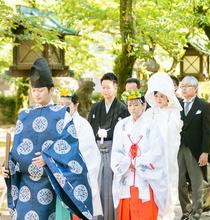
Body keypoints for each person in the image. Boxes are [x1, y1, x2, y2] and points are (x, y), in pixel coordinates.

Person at [2, 58, 93, 220]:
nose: (36, 94)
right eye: (34, 90)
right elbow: (16, 152)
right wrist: (7, 165)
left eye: (41, 90)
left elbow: (70, 150)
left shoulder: (62, 114)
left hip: (51, 186)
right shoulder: (24, 116)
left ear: (51, 90)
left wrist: (49, 158)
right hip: (25, 187)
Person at [111, 90, 168, 220]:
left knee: (145, 210)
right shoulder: (121, 125)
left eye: (136, 105)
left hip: (145, 177)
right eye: (130, 105)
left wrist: (138, 162)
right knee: (127, 209)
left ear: (144, 105)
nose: (132, 108)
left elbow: (157, 151)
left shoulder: (153, 125)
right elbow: (116, 151)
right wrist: (127, 162)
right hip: (127, 174)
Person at [88, 72, 129, 220]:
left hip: (114, 151)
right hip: (97, 151)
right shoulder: (95, 108)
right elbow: (90, 132)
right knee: (97, 185)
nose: (105, 90)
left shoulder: (123, 109)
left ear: (115, 87)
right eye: (103, 87)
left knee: (112, 186)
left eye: (108, 87)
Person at [57, 89, 103, 219]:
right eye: (60, 104)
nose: (63, 108)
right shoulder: (57, 123)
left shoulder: (83, 125)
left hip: (77, 173)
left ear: (76, 105)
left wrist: (66, 159)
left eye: (67, 105)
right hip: (59, 172)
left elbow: (86, 150)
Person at [144, 72, 183, 220]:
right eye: (157, 96)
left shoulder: (174, 113)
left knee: (166, 186)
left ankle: (166, 215)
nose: (159, 99)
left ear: (168, 96)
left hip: (166, 155)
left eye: (162, 95)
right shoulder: (150, 112)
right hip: (151, 156)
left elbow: (173, 134)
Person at [178, 76, 210, 220]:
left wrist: (205, 152)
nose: (184, 88)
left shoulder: (204, 105)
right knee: (179, 182)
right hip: (179, 147)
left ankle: (197, 212)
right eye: (182, 86)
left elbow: (208, 130)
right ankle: (186, 211)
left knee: (196, 182)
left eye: (187, 86)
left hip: (196, 149)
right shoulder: (177, 105)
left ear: (195, 89)